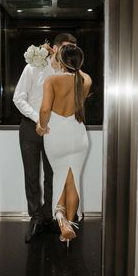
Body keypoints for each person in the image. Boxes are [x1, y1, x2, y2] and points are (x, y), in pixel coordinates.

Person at [13, 33, 77, 243]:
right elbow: (18, 98)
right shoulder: (33, 66)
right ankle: (35, 219)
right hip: (30, 128)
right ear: (55, 48)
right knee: (31, 176)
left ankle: (50, 218)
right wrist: (37, 119)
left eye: (73, 50)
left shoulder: (69, 72)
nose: (69, 53)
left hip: (55, 131)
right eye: (66, 48)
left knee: (52, 176)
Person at [36, 44, 92, 247]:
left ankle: (63, 224)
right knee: (73, 180)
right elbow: (78, 72)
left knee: (60, 177)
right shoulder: (86, 80)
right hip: (78, 135)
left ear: (60, 61)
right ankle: (68, 225)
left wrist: (41, 127)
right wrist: (67, 58)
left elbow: (44, 109)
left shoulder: (51, 80)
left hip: (56, 134)